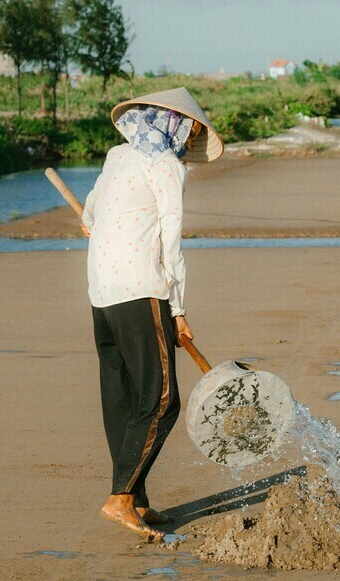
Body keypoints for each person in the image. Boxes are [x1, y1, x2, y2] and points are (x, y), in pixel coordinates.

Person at [81, 88, 225, 540]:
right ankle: (120, 497)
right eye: (191, 132)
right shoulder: (165, 166)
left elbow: (88, 215)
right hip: (142, 287)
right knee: (162, 399)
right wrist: (178, 309)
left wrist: (104, 224)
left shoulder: (117, 157)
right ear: (176, 124)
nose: (188, 143)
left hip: (102, 291)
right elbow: (170, 242)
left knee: (122, 397)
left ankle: (137, 500)